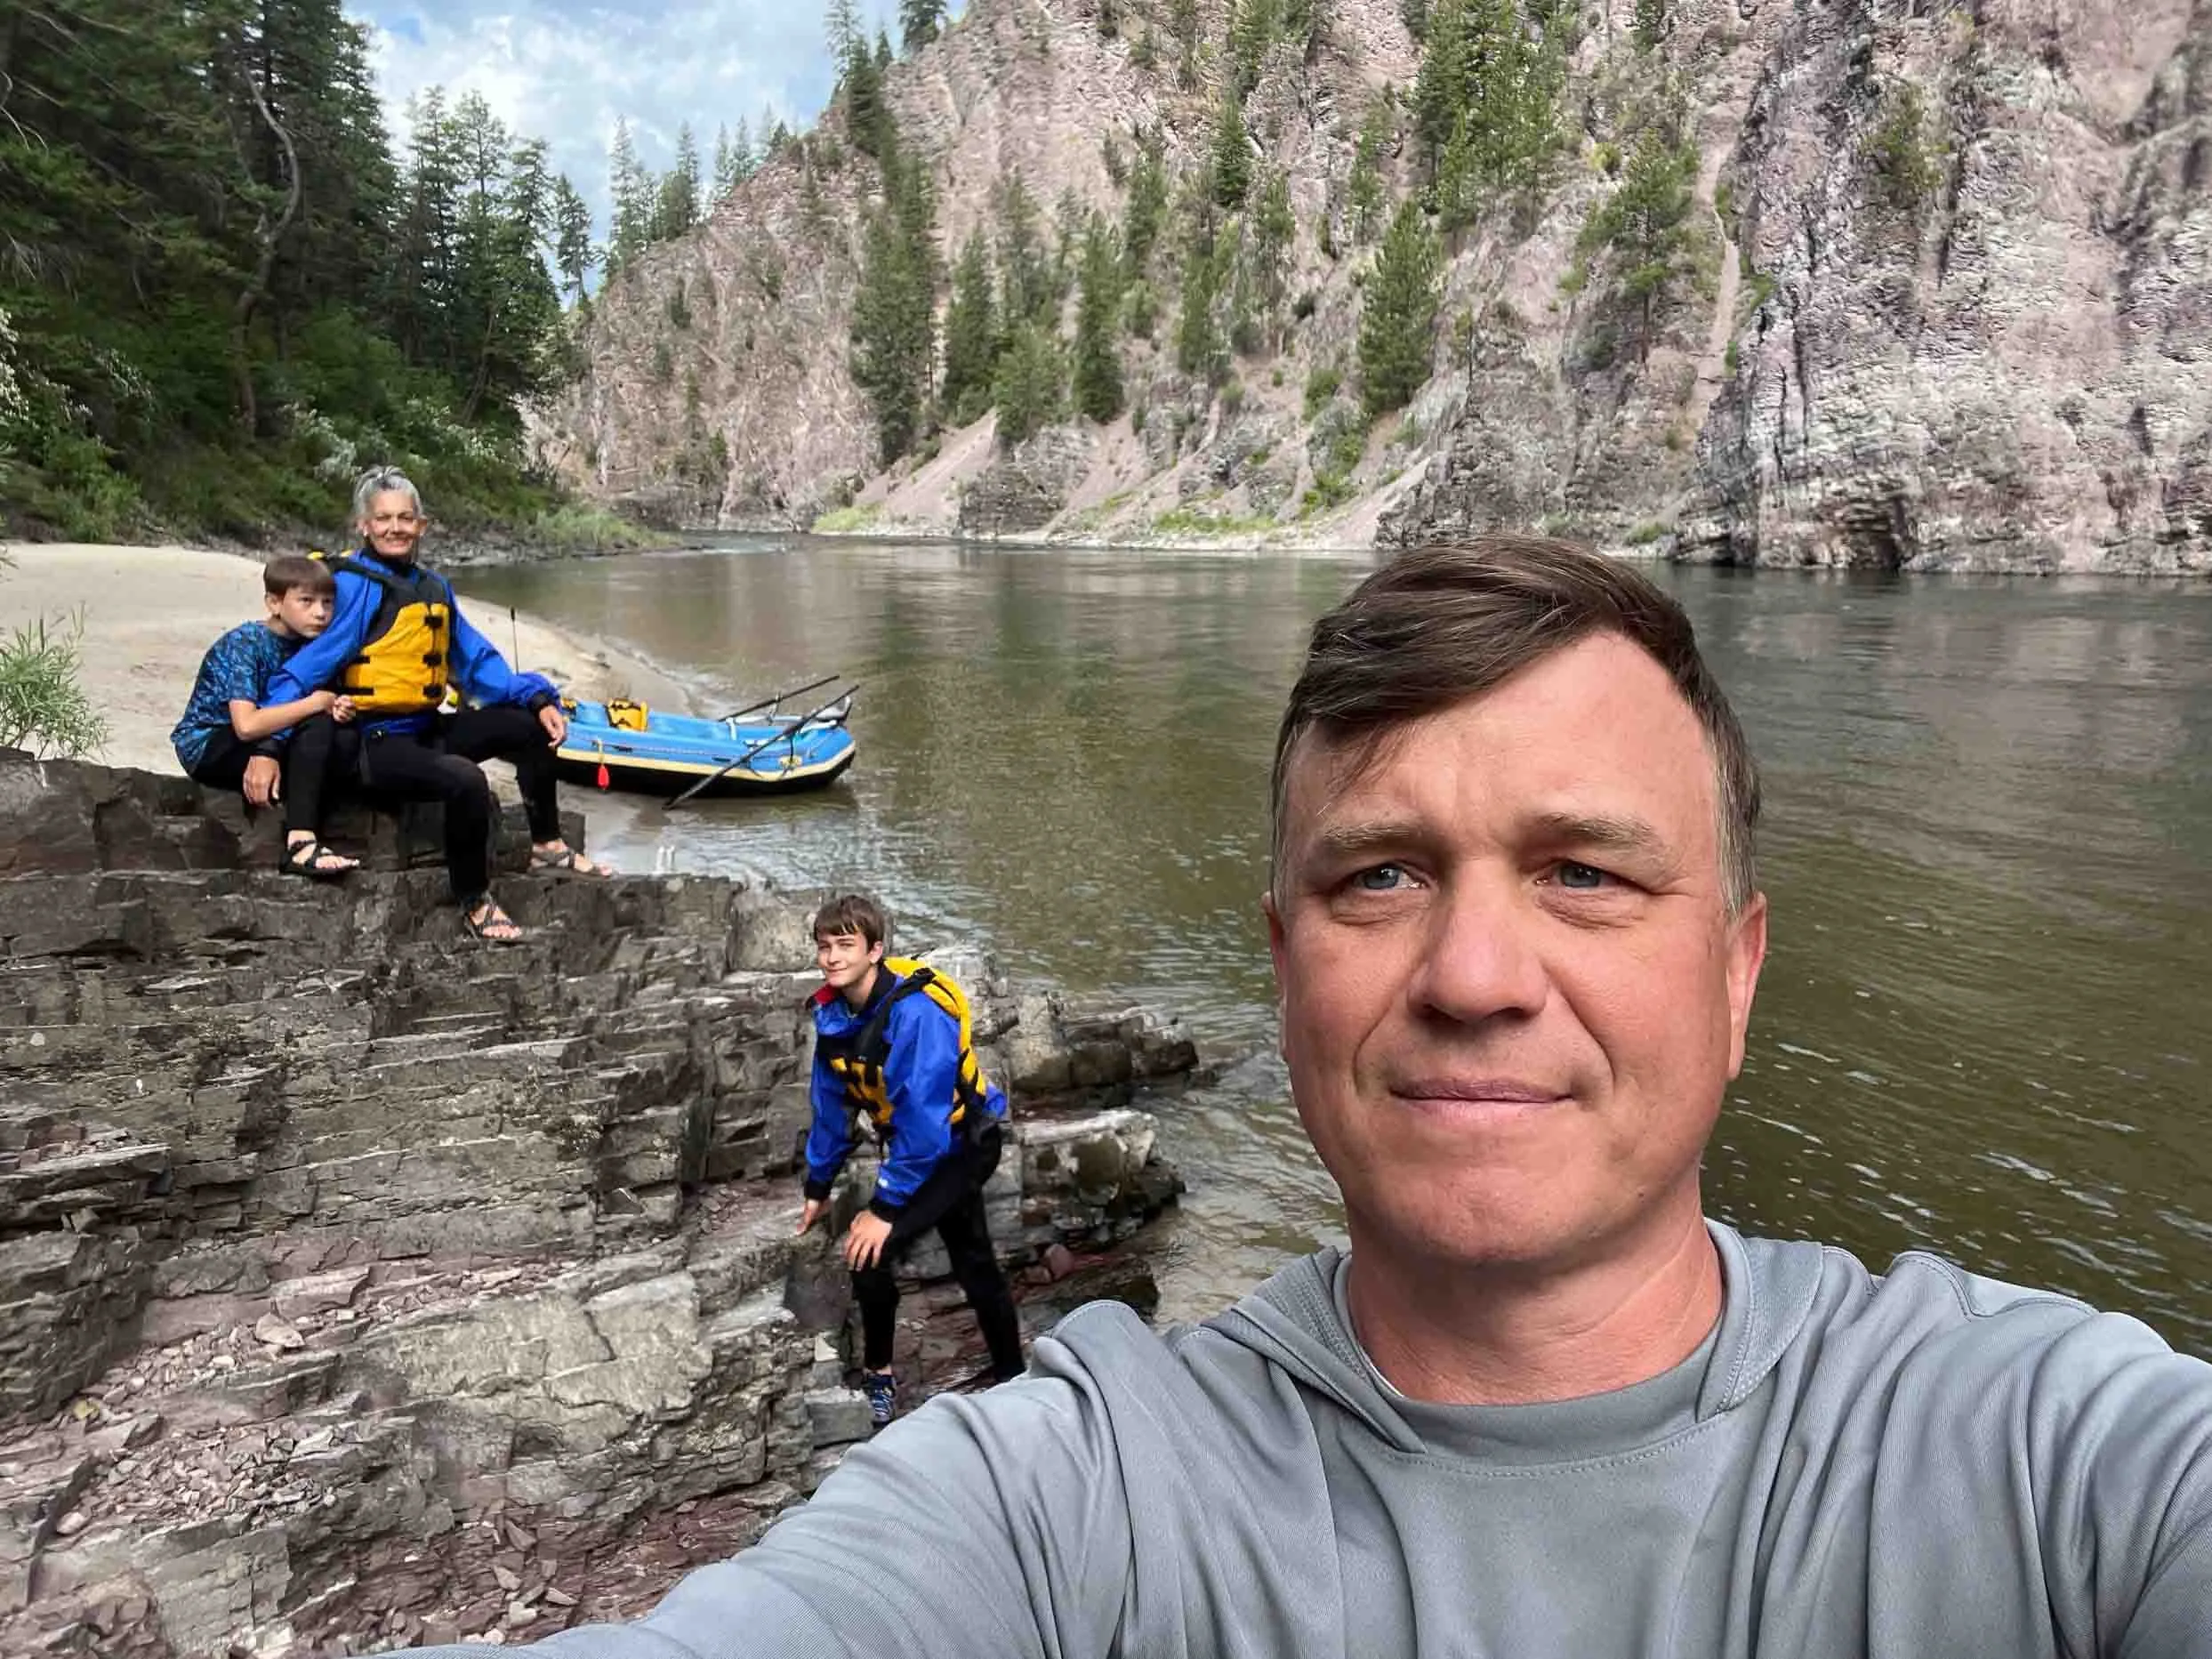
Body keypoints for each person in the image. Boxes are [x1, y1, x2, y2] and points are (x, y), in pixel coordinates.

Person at [404, 536, 2212, 1657]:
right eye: (1379, 876)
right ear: (1283, 970)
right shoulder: (1068, 1502)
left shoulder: (2058, 1459)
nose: (1475, 972)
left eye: (1586, 871)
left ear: (1734, 974)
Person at [261, 466, 606, 943]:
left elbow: (476, 662)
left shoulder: (434, 587)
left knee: (531, 726)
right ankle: (475, 900)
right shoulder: (353, 586)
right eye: (383, 519)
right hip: (373, 743)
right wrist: (269, 745)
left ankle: (547, 843)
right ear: (363, 525)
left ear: (422, 525)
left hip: (426, 728)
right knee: (466, 780)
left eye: (405, 518)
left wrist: (538, 696)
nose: (395, 528)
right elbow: (304, 670)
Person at [799, 894, 1026, 1428]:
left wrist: (884, 1209)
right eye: (825, 947)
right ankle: (1009, 1373)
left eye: (846, 945)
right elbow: (831, 1107)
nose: (832, 958)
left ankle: (999, 1377)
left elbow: (924, 1126)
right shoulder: (833, 1016)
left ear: (875, 951)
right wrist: (818, 1184)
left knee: (872, 1250)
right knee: (971, 1254)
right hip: (922, 1150)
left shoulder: (916, 1014)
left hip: (964, 1144)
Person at [170, 553, 361, 879]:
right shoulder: (245, 644)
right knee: (316, 723)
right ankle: (300, 842)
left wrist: (338, 707)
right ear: (274, 603)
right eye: (306, 601)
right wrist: (317, 704)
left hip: (274, 736)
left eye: (328, 603)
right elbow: (246, 725)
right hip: (211, 742)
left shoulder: (314, 647)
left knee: (344, 739)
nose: (320, 613)